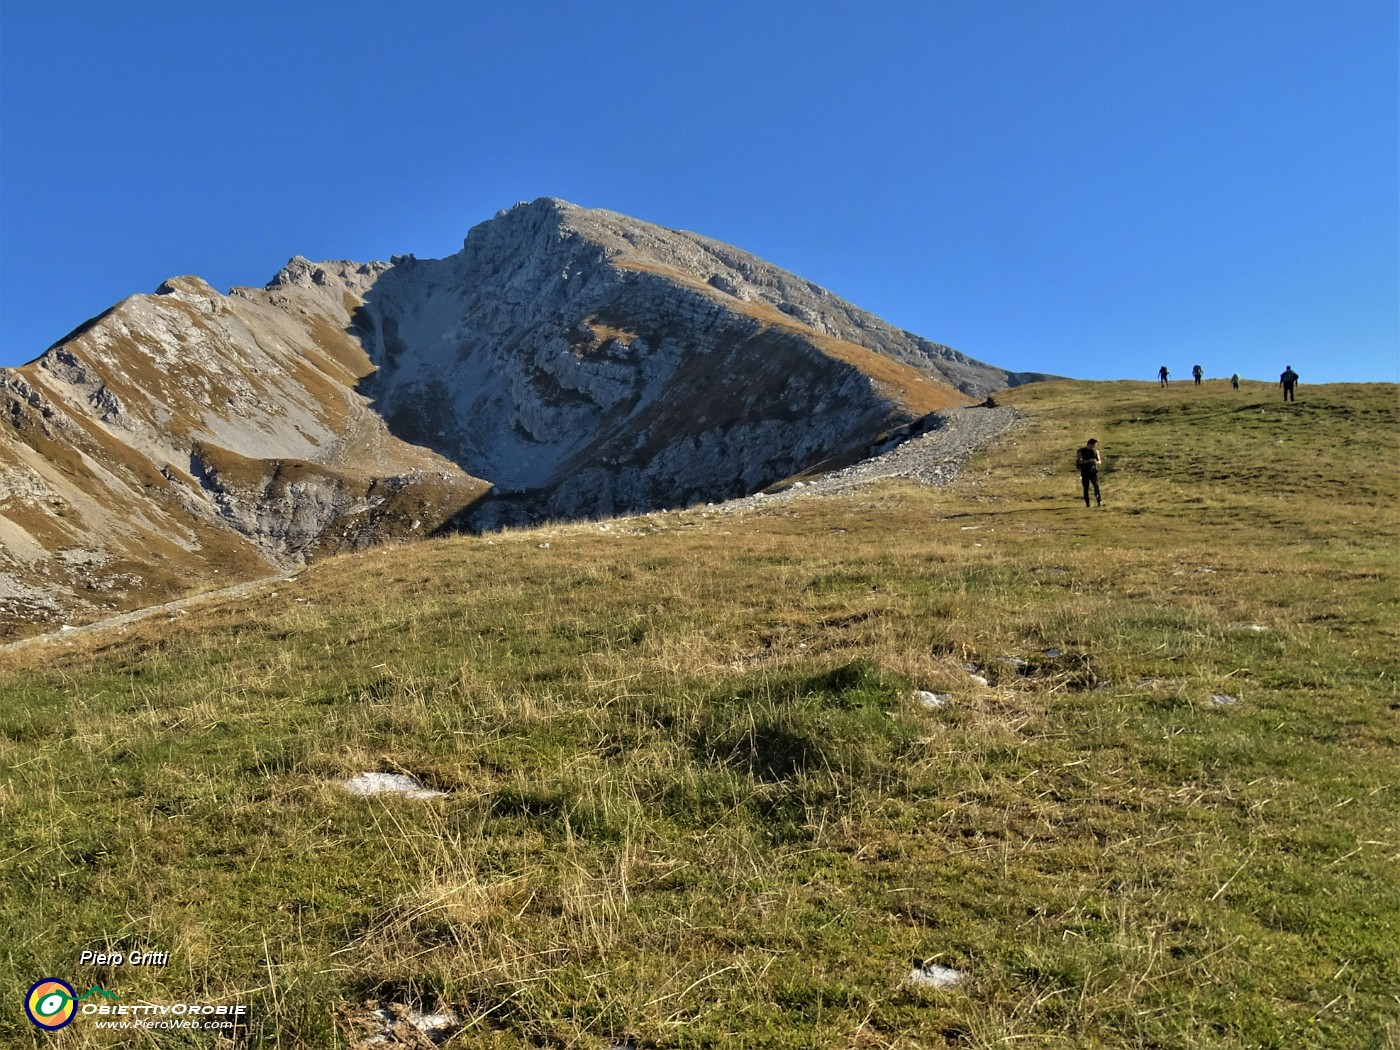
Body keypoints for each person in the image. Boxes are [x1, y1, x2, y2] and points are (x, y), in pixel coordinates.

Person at [1076, 438, 1102, 508]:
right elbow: (1079, 461)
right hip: (1085, 471)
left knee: (1096, 486)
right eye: (1094, 445)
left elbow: (1099, 461)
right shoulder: (1081, 451)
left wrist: (1095, 462)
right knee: (1086, 487)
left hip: (1093, 471)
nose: (1094, 447)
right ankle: (1087, 503)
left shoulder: (1095, 451)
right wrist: (1089, 461)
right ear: (1089, 444)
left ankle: (1099, 502)